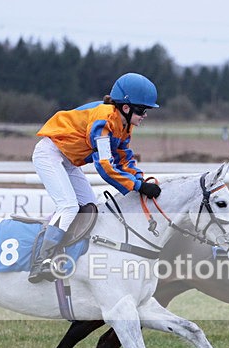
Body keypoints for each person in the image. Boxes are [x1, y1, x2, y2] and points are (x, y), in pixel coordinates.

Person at [29, 72, 162, 283]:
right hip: (49, 154)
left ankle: (69, 253)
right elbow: (105, 165)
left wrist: (141, 180)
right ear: (125, 108)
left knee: (91, 207)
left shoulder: (124, 125)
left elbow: (124, 159)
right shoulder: (103, 120)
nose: (145, 115)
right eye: (142, 110)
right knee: (69, 206)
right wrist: (137, 186)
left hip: (68, 160)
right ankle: (41, 260)